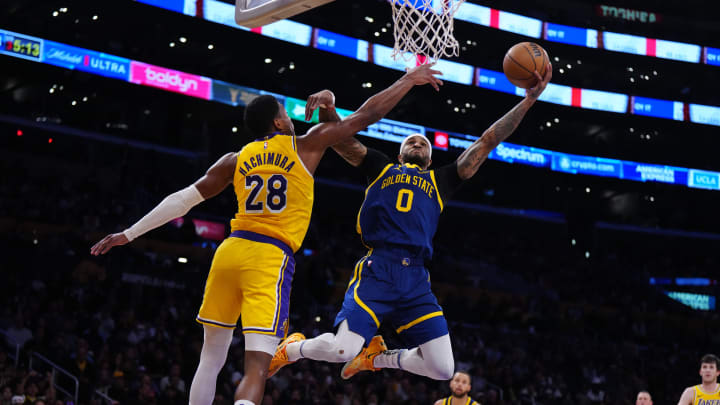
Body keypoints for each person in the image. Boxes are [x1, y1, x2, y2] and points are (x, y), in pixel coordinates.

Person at [90, 63, 443, 405]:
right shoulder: (304, 145)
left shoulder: (236, 157)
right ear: (277, 122)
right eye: (285, 114)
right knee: (257, 366)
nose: (291, 117)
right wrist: (409, 79)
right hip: (268, 258)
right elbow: (365, 116)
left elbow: (183, 200)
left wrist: (129, 233)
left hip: (229, 252)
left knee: (210, 358)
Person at [268, 63, 551, 381]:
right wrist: (330, 109)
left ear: (429, 160)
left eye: (423, 144)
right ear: (400, 155)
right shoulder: (380, 166)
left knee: (443, 369)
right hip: (379, 269)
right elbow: (340, 139)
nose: (417, 143)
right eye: (411, 142)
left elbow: (487, 140)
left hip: (416, 278)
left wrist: (528, 100)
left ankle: (379, 358)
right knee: (341, 351)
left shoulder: (442, 180)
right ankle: (291, 349)